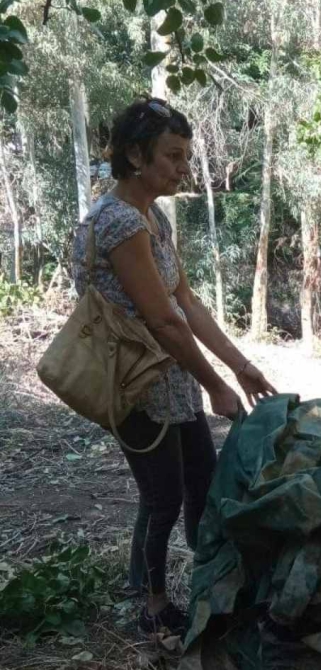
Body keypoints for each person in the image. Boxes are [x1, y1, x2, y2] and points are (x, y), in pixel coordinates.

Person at [72, 97, 277, 636]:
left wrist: (240, 367)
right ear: (136, 155)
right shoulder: (117, 224)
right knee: (162, 495)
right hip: (136, 384)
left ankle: (198, 582)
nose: (183, 168)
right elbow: (163, 321)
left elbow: (187, 302)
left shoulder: (152, 217)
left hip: (172, 380)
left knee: (202, 483)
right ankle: (154, 607)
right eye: (173, 155)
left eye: (186, 156)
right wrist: (214, 384)